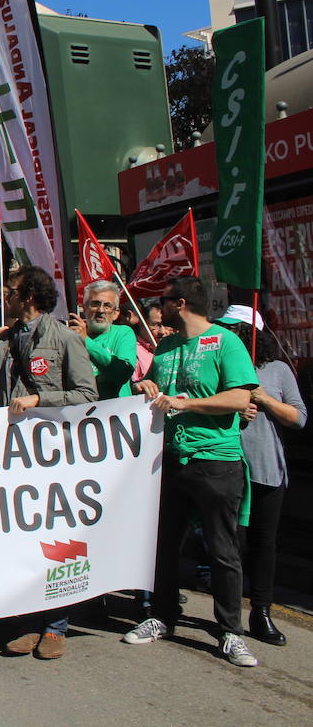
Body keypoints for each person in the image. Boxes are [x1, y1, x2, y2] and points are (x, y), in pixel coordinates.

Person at [125, 276, 261, 667]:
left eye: (163, 301)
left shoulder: (226, 342)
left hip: (216, 460)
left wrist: (185, 405)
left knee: (222, 550)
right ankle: (162, 616)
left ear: (180, 303)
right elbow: (154, 390)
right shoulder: (165, 346)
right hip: (169, 459)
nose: (157, 308)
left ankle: (230, 632)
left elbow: (240, 397)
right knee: (164, 545)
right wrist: (144, 386)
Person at [0, 265, 97, 660]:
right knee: (21, 539)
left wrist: (40, 401)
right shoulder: (7, 339)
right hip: (14, 455)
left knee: (53, 540)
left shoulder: (63, 337)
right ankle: (28, 621)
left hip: (53, 454)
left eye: (9, 290)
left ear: (27, 296)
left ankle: (56, 626)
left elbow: (85, 394)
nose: (2, 296)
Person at [228, 322, 305, 646]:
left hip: (267, 470)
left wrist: (264, 399)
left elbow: (299, 418)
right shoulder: (222, 364)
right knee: (231, 546)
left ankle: (261, 612)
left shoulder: (277, 370)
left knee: (264, 544)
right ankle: (228, 616)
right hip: (229, 467)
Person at [67, 280, 137, 400]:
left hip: (114, 413)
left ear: (116, 313)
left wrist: (86, 340)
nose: (100, 311)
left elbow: (122, 373)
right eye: (95, 304)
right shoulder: (70, 336)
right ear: (84, 308)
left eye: (107, 306)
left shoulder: (123, 333)